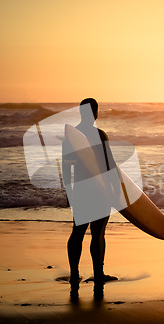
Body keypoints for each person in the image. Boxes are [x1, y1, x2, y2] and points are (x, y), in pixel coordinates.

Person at [62, 98, 118, 300]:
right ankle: (98, 274)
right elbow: (109, 164)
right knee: (98, 233)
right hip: (100, 190)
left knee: (77, 231)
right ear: (95, 113)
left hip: (81, 190)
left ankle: (74, 274)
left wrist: (69, 192)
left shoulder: (70, 136)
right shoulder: (99, 134)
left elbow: (66, 167)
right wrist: (116, 190)